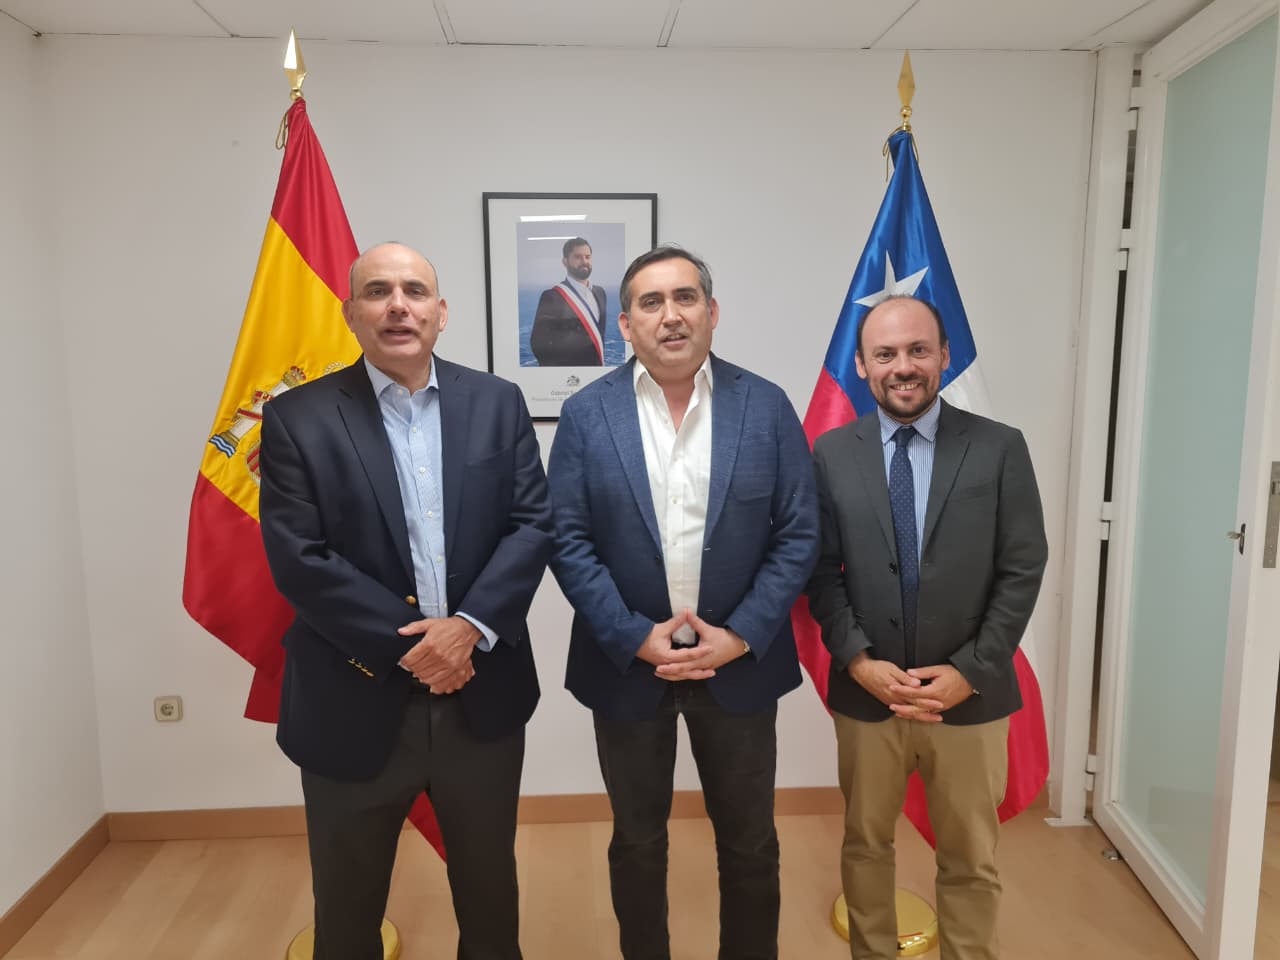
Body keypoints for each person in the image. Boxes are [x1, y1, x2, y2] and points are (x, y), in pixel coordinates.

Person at [259, 242, 553, 960]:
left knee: (490, 895)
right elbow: (300, 559)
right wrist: (422, 646)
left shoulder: (497, 403)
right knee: (347, 908)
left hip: (481, 697)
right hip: (350, 697)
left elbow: (532, 524)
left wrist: (468, 629)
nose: (398, 305)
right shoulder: (297, 417)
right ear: (349, 313)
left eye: (415, 291)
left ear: (440, 313)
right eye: (378, 291)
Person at [546, 244, 819, 960]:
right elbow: (567, 539)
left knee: (751, 842)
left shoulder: (766, 406)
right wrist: (632, 635)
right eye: (651, 302)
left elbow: (799, 533)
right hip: (627, 666)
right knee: (637, 842)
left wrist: (742, 633)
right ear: (626, 325)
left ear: (712, 312)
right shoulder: (586, 414)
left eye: (685, 298)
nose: (670, 315)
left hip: (740, 665)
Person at [805, 294, 1048, 960]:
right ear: (861, 365)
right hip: (868, 692)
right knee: (865, 844)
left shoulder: (999, 447)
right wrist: (858, 661)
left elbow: (1023, 567)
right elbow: (819, 571)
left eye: (918, 350)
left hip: (970, 694)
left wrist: (971, 670)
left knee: (970, 857)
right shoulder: (831, 453)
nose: (903, 367)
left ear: (944, 355)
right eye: (885, 354)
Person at [530, 236, 608, 366]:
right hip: (568, 373)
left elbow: (600, 337)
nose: (584, 261)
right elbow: (538, 344)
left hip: (596, 371)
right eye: (578, 257)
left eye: (587, 257)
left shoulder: (600, 293)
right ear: (565, 262)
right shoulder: (552, 297)